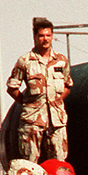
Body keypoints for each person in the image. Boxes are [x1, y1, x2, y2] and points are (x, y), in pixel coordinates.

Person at [6, 16, 70, 163]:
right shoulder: (25, 61)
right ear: (35, 37)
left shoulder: (61, 60)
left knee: (59, 164)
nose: (45, 39)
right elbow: (12, 88)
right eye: (41, 36)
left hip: (57, 122)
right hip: (32, 122)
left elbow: (67, 85)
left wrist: (57, 101)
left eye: (48, 35)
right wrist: (28, 104)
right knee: (30, 164)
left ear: (53, 36)